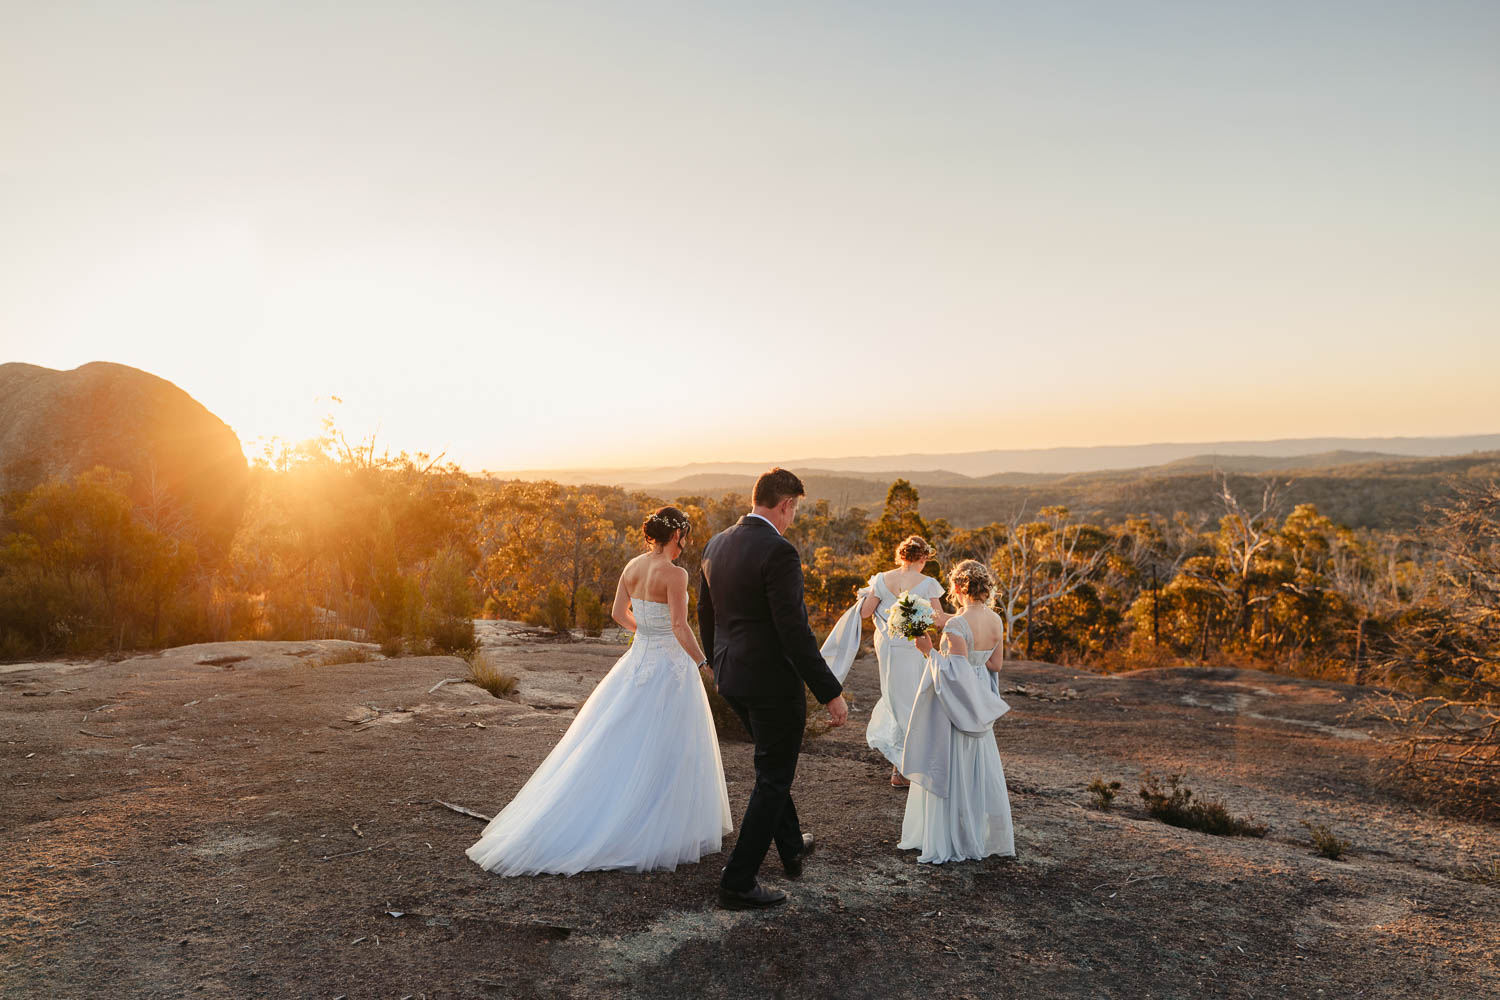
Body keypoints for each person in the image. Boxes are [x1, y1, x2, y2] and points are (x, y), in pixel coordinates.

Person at [466, 507, 731, 876]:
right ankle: (660, 823)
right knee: (670, 742)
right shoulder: (675, 574)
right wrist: (705, 664)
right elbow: (680, 626)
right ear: (677, 536)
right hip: (670, 669)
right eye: (685, 534)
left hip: (638, 661)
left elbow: (618, 614)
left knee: (622, 738)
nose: (685, 541)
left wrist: (646, 633)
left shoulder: (632, 566)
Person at [699, 467, 849, 909]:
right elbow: (794, 632)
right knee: (773, 776)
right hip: (771, 684)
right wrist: (829, 691)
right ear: (785, 504)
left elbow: (706, 615)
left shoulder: (716, 543)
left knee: (771, 766)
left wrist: (717, 665)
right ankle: (738, 880)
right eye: (795, 509)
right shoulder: (779, 552)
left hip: (732, 679)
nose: (794, 518)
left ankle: (791, 846)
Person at [899, 559, 1014, 864]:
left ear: (960, 587)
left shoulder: (955, 625)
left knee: (950, 767)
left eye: (952, 584)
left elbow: (956, 675)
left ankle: (953, 838)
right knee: (976, 771)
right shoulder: (996, 621)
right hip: (979, 702)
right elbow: (995, 665)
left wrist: (928, 652)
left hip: (958, 705)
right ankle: (975, 833)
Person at [858, 536, 950, 786]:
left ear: (901, 556)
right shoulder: (928, 583)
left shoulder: (881, 578)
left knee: (895, 696)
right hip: (912, 647)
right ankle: (905, 767)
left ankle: (900, 768)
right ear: (922, 558)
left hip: (886, 646)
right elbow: (939, 620)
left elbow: (865, 613)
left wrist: (866, 594)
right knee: (912, 699)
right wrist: (969, 615)